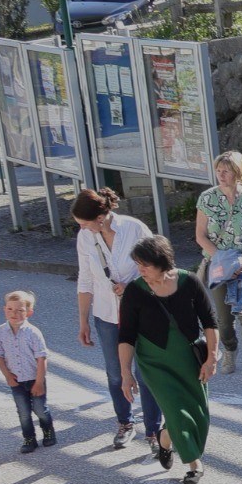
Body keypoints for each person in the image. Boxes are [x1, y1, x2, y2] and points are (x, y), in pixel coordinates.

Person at [118, 237, 219, 484]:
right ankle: (194, 464)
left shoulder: (189, 281)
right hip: (154, 362)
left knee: (198, 412)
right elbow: (126, 336)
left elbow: (210, 321)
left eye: (146, 265)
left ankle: (165, 438)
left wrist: (212, 358)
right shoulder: (135, 291)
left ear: (162, 262)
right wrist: (126, 373)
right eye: (138, 264)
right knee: (176, 410)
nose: (141, 270)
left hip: (189, 356)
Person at [73, 188, 164, 455]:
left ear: (101, 217)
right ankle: (125, 423)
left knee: (145, 374)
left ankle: (153, 430)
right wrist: (83, 320)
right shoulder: (85, 237)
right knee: (115, 372)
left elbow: (160, 266)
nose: (82, 229)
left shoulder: (134, 229)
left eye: (85, 223)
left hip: (141, 313)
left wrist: (133, 285)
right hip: (106, 315)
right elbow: (85, 279)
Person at [195, 150, 242, 387]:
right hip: (218, 265)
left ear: (237, 173)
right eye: (218, 170)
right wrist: (223, 260)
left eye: (225, 170)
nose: (221, 174)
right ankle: (229, 349)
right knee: (224, 318)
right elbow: (200, 235)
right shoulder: (207, 199)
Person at [0, 290, 56, 453]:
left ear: (29, 313)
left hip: (34, 378)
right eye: (10, 309)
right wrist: (7, 376)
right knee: (23, 411)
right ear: (5, 310)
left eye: (20, 310)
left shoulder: (33, 333)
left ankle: (48, 430)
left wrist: (39, 382)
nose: (14, 314)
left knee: (40, 409)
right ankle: (29, 438)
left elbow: (41, 358)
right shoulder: (0, 332)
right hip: (16, 380)